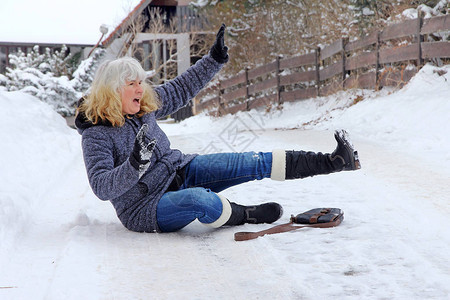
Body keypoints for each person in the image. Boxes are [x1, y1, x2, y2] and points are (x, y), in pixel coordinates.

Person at [75, 24, 361, 233]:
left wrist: (213, 60)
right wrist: (135, 164)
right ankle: (245, 214)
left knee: (250, 161)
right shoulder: (96, 133)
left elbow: (183, 87)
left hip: (181, 170)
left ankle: (334, 161)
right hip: (146, 207)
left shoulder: (144, 104)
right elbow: (101, 187)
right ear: (114, 91)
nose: (141, 88)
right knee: (200, 200)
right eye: (133, 84)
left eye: (141, 82)